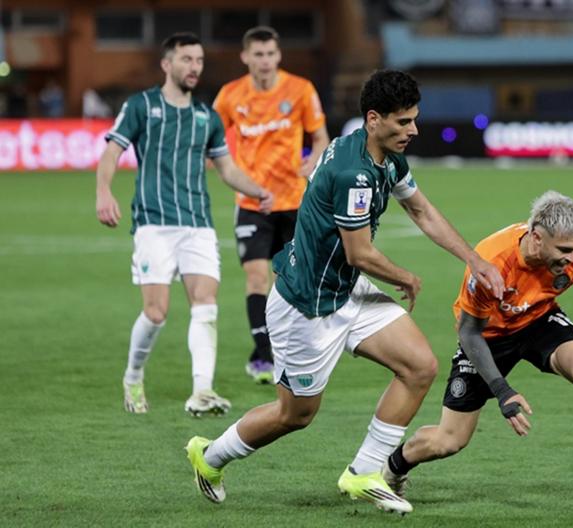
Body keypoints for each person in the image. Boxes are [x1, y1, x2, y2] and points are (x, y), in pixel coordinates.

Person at [185, 69, 505, 514]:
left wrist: (474, 259)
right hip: (307, 306)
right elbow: (359, 253)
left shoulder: (383, 156)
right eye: (403, 121)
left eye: (414, 119)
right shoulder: (354, 174)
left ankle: (364, 472)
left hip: (347, 290)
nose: (413, 130)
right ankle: (210, 456)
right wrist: (405, 277)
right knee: (295, 415)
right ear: (374, 119)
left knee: (419, 366)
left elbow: (421, 210)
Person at [380, 191, 573, 509]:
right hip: (485, 337)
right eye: (564, 250)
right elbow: (469, 332)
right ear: (537, 238)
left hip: (538, 320)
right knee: (450, 440)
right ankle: (393, 467)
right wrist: (502, 391)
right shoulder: (492, 261)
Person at [95, 32, 273, 417]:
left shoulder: (207, 117)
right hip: (154, 223)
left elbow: (226, 168)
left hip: (198, 224)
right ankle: (133, 375)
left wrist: (257, 190)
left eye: (199, 61)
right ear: (167, 64)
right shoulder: (141, 106)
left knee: (205, 304)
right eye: (187, 59)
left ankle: (202, 391)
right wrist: (104, 192)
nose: (194, 67)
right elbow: (111, 152)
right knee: (156, 312)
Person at [213, 26, 330, 384]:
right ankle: (265, 356)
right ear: (245, 57)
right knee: (256, 276)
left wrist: (313, 161)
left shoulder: (300, 90)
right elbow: (211, 137)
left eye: (270, 54)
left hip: (294, 202)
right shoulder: (230, 95)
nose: (265, 61)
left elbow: (320, 137)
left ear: (278, 56)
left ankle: (279, 348)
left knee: (288, 281)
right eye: (258, 54)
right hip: (252, 202)